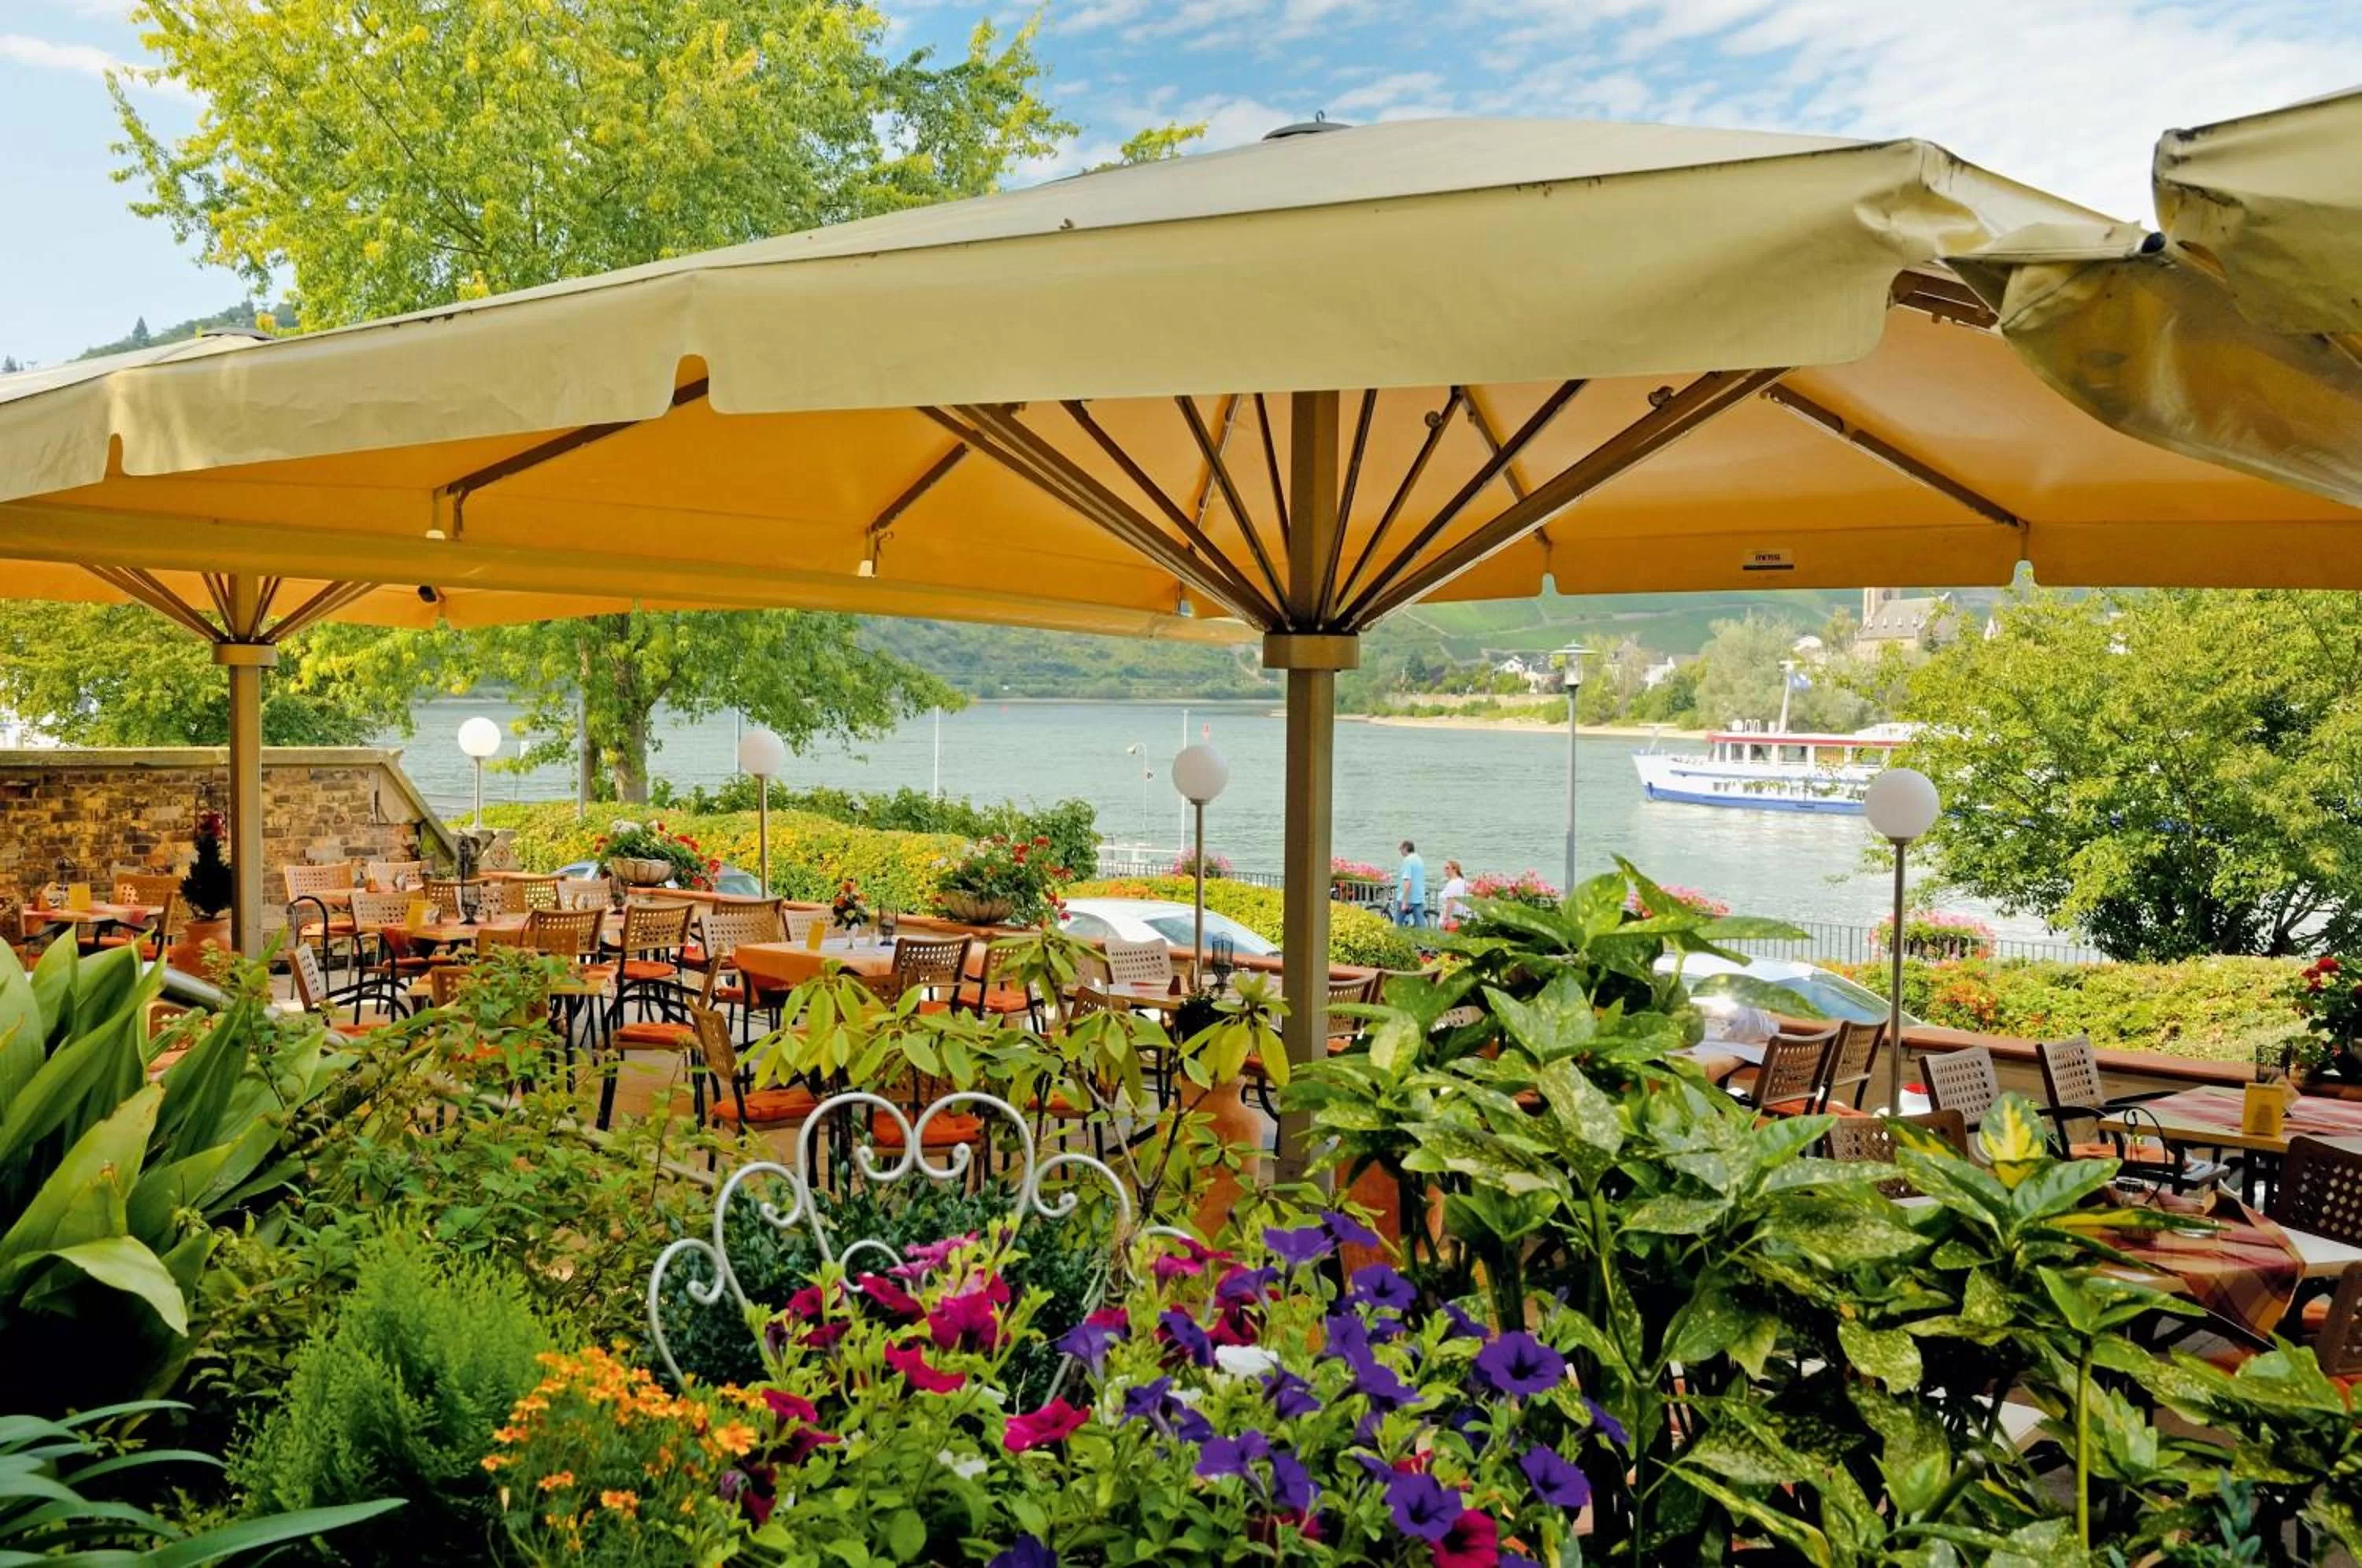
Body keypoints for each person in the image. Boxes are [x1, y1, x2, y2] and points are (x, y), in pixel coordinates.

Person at [1394, 841, 1427, 926]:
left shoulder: (1407, 860)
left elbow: (1407, 881)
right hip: (1419, 897)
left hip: (1407, 898)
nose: (1401, 852)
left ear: (1405, 848)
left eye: (1401, 849)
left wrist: (1405, 901)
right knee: (1421, 927)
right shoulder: (1419, 859)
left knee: (1397, 926)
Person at [1437, 860, 1470, 929]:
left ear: (1454, 869)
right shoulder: (1463, 882)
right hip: (1462, 917)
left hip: (1452, 919)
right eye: (1444, 868)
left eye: (1447, 868)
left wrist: (1446, 919)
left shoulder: (1452, 883)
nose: (1445, 870)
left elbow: (1451, 902)